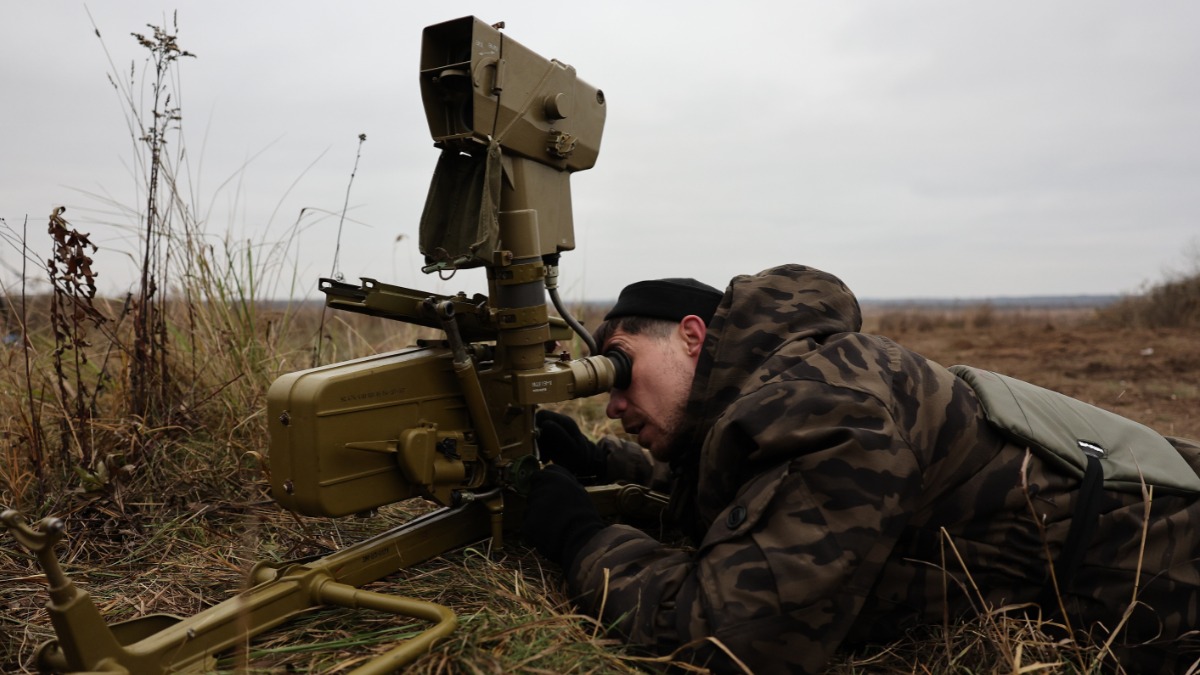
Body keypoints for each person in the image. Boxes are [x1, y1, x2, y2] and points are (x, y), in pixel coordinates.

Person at [520, 264, 1200, 674]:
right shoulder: (794, 385)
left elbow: (725, 641)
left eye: (619, 363)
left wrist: (579, 537)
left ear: (693, 337)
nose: (610, 403)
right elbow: (746, 502)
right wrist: (598, 463)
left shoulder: (824, 399)